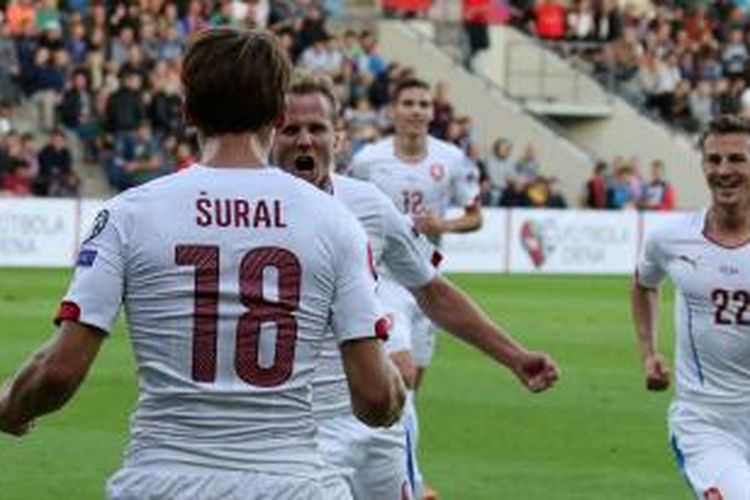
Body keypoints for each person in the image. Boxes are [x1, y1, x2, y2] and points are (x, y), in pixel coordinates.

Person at [0, 28, 405, 500]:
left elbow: (59, 371)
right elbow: (377, 399)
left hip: (162, 479)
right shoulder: (335, 222)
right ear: (279, 113)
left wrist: (11, 405)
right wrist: (396, 392)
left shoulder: (128, 214)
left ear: (187, 110)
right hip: (291, 482)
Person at [274, 72, 559, 500]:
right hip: (299, 432)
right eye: (290, 129)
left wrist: (513, 356)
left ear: (338, 138)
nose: (303, 140)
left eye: (316, 128)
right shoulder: (249, 213)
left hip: (379, 427)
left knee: (407, 379)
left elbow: (433, 291)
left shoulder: (367, 204)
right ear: (269, 135)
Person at [350, 77, 482, 499]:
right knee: (401, 374)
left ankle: (380, 469)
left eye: (424, 103)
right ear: (393, 110)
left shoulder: (452, 159)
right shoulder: (369, 160)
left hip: (426, 283)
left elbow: (475, 216)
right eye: (408, 102)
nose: (417, 110)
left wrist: (443, 224)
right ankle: (412, 483)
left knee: (409, 391)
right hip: (384, 280)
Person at [632, 114, 750, 500]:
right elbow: (644, 283)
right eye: (714, 160)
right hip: (707, 424)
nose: (724, 170)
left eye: (737, 159)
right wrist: (648, 352)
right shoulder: (671, 240)